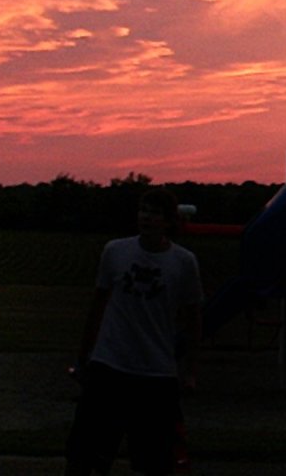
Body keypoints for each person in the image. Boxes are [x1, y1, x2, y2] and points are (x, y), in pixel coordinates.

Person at [66, 187, 204, 476]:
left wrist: (190, 370)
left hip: (156, 371)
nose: (147, 218)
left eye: (155, 213)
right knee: (86, 451)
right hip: (110, 364)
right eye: (143, 210)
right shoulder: (116, 251)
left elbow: (193, 320)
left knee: (154, 458)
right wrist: (83, 357)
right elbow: (98, 306)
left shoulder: (183, 262)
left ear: (168, 220)